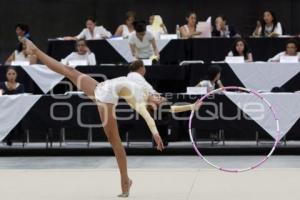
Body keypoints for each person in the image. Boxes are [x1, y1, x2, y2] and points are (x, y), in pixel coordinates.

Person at [21, 38, 201, 197]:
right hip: (101, 87)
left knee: (115, 142)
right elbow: (168, 105)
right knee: (69, 71)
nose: (161, 97)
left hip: (106, 100)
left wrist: (155, 133)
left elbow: (151, 117)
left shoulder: (140, 102)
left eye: (160, 100)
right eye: (161, 97)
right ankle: (36, 51)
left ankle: (125, 180)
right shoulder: (147, 88)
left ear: (153, 105)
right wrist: (191, 105)